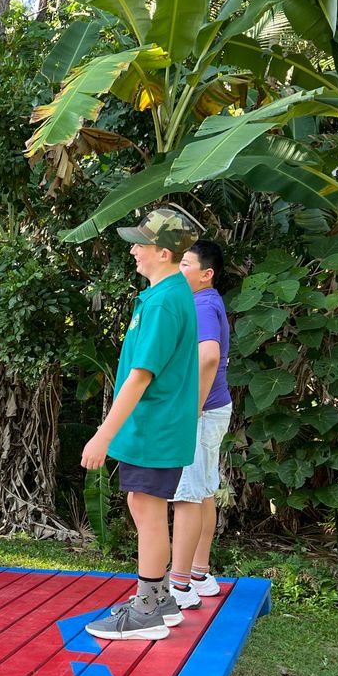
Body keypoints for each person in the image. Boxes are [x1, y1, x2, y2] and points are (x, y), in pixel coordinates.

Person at [82, 209, 200, 641]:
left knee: (148, 511)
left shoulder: (165, 301)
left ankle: (145, 612)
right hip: (154, 426)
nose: (132, 250)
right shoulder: (162, 294)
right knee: (141, 505)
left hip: (155, 427)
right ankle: (162, 599)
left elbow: (140, 376)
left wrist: (103, 434)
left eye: (140, 243)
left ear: (164, 252)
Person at [169, 240, 232, 604]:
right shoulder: (206, 301)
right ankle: (199, 574)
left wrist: (193, 406)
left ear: (206, 274)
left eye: (186, 265)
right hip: (214, 409)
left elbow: (209, 356)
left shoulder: (202, 305)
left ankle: (179, 586)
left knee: (187, 495)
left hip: (204, 412)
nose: (179, 271)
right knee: (204, 490)